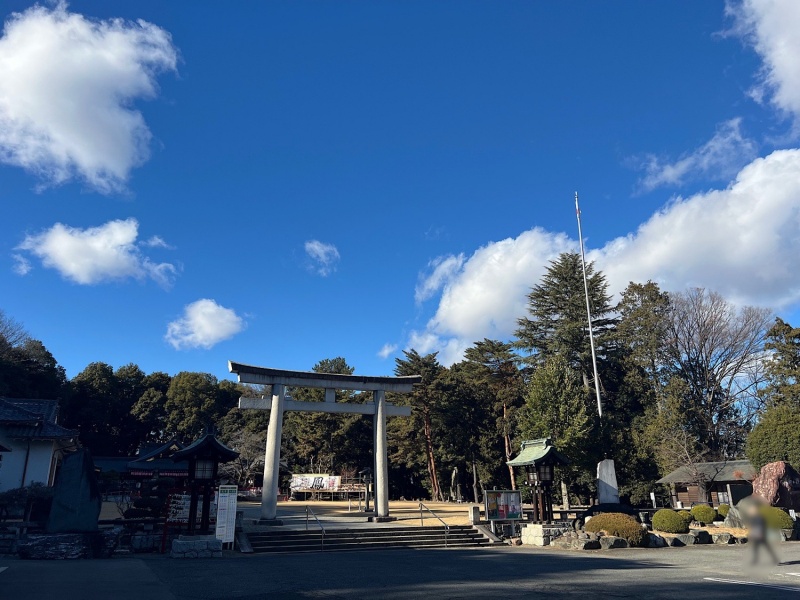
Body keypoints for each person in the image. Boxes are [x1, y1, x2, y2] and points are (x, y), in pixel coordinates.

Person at [747, 501, 781, 566]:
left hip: (760, 535)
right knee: (756, 548)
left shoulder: (760, 517)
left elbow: (762, 526)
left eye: (752, 510)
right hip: (756, 535)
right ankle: (755, 560)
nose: (750, 511)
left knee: (767, 548)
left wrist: (760, 533)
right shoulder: (753, 518)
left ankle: (775, 559)